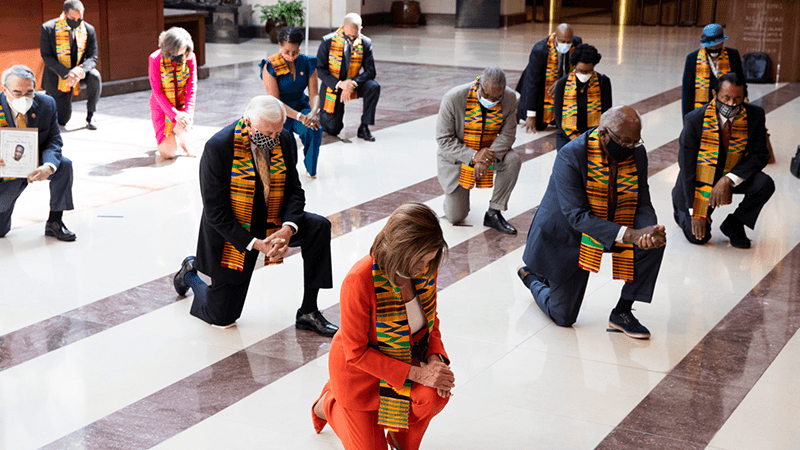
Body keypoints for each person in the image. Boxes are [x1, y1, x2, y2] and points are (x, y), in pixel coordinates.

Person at [172, 95, 338, 337]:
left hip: (273, 218)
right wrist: (256, 244)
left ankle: (308, 311)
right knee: (222, 318)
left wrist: (288, 229)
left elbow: (294, 190)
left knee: (319, 227)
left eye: (277, 133)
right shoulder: (218, 147)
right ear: (248, 123)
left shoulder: (284, 138)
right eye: (267, 133)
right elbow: (216, 213)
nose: (273, 139)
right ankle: (190, 272)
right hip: (233, 232)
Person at [311, 202, 454, 450]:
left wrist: (434, 358)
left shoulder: (426, 266)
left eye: (429, 259)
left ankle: (401, 440)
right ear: (400, 250)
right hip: (361, 377)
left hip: (405, 361)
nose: (424, 269)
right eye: (419, 260)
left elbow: (430, 320)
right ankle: (329, 403)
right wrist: (420, 374)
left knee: (435, 394)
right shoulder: (359, 280)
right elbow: (356, 353)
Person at [517, 106, 666, 339]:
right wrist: (631, 234)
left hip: (612, 223)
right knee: (563, 317)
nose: (630, 148)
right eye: (625, 142)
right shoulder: (571, 155)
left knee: (654, 245)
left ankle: (622, 312)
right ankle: (532, 278)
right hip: (568, 235)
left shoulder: (637, 152)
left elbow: (642, 202)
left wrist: (649, 232)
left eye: (635, 142)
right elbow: (577, 216)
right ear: (604, 133)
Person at [672, 73, 773, 249]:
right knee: (699, 238)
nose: (731, 104)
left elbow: (760, 155)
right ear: (714, 94)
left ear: (744, 97)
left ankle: (734, 224)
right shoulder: (694, 120)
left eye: (737, 99)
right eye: (726, 98)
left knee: (764, 184)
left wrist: (728, 179)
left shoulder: (755, 115)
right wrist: (696, 212)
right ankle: (681, 212)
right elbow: (687, 168)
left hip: (732, 174)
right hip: (700, 180)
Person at [436, 67, 521, 235]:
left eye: (497, 97)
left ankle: (494, 212)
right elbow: (443, 140)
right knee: (455, 216)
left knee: (513, 160)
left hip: (491, 154)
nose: (491, 100)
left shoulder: (510, 98)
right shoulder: (453, 98)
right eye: (487, 95)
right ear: (479, 85)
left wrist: (485, 159)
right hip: (458, 159)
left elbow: (508, 134)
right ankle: (452, 198)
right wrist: (474, 156)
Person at [0, 65, 76, 241]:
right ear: (5, 90)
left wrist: (48, 167)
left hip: (35, 161)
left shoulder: (46, 103)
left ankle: (55, 222)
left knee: (63, 165)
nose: (23, 98)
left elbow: (53, 140)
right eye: (17, 93)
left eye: (29, 93)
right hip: (5, 173)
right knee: (1, 231)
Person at [260, 26, 323, 177]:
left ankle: (311, 169)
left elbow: (314, 94)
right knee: (287, 144)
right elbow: (274, 101)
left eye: (294, 52)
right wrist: (300, 117)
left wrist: (313, 113)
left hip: (301, 105)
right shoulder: (271, 66)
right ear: (280, 45)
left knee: (314, 128)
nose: (291, 55)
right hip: (279, 111)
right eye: (286, 51)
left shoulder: (307, 63)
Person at [316, 13, 380, 142]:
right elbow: (320, 69)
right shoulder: (328, 41)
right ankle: (323, 116)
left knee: (373, 87)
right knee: (333, 129)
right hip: (333, 86)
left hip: (353, 84)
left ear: (360, 29)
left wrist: (351, 83)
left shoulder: (365, 43)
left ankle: (364, 127)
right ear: (343, 28)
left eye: (354, 36)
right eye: (348, 36)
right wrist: (340, 84)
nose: (351, 39)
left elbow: (371, 71)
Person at [40, 0, 102, 130]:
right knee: (62, 120)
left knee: (95, 76)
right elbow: (47, 56)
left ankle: (91, 115)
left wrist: (80, 71)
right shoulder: (49, 28)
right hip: (58, 75)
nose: (77, 21)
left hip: (80, 72)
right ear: (65, 14)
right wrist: (67, 72)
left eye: (80, 18)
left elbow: (93, 57)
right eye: (73, 18)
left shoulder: (88, 29)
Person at [516, 23, 582, 133]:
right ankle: (518, 106)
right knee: (539, 125)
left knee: (561, 123)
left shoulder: (577, 43)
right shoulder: (540, 50)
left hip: (562, 84)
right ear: (555, 37)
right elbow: (533, 83)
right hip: (541, 85)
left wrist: (562, 81)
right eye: (562, 41)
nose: (565, 45)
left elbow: (580, 68)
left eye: (568, 42)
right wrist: (531, 115)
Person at [149, 27, 197, 159]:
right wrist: (175, 114)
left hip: (182, 104)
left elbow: (192, 88)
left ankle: (183, 142)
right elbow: (157, 92)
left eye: (185, 50)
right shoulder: (155, 58)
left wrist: (186, 114)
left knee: (184, 127)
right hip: (162, 107)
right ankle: (170, 137)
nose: (183, 54)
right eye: (178, 53)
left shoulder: (190, 56)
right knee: (168, 153)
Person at [553, 44, 612, 151]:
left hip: (594, 135)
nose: (584, 74)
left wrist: (591, 138)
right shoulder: (562, 84)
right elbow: (558, 117)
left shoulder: (603, 82)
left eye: (588, 71)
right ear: (574, 66)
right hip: (567, 134)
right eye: (580, 71)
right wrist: (576, 139)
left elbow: (606, 115)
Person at [681, 23, 745, 118]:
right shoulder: (692, 59)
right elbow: (687, 93)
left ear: (722, 43)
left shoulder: (733, 55)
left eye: (717, 45)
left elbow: (741, 82)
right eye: (711, 47)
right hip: (702, 111)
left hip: (728, 109)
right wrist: (687, 121)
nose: (714, 48)